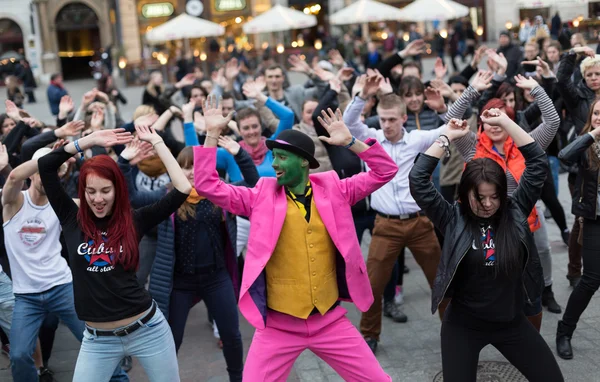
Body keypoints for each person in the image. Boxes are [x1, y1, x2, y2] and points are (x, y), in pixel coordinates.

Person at [193, 97, 396, 381]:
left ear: (303, 161)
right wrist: (211, 134)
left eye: (281, 157)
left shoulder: (334, 189)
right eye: (273, 156)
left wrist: (352, 142)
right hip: (278, 326)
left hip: (329, 320)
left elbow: (386, 171)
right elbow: (207, 185)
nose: (274, 163)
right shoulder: (260, 195)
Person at [409, 113, 563, 382]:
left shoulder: (515, 210)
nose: (489, 204)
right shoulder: (451, 217)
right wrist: (447, 137)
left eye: (495, 196)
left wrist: (504, 123)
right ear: (464, 194)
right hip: (463, 327)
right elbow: (418, 179)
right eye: (479, 198)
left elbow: (537, 162)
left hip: (512, 323)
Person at [37, 127, 192, 381]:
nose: (98, 199)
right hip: (98, 341)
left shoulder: (135, 219)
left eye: (105, 191)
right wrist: (89, 140)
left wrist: (158, 141)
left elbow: (183, 188)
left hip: (148, 330)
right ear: (83, 191)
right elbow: (45, 165)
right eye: (91, 192)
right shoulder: (70, 217)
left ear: (117, 190)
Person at [555, 98, 600, 360]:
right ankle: (564, 331)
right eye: (596, 114)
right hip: (594, 219)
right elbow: (563, 156)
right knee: (591, 279)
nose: (599, 118)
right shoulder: (585, 143)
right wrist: (593, 135)